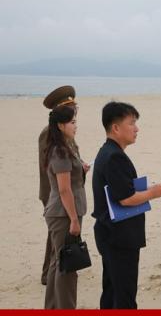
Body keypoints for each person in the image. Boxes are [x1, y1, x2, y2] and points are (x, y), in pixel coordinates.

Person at [92, 102, 161, 309]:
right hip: (119, 236)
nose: (136, 128)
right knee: (124, 294)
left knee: (112, 289)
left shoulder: (108, 152)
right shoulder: (114, 156)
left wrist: (148, 189)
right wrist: (153, 193)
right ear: (115, 128)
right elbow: (125, 198)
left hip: (109, 232)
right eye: (132, 123)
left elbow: (121, 190)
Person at [44, 105, 88, 309]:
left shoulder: (66, 146)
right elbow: (64, 189)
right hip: (63, 214)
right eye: (72, 122)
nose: (75, 126)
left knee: (57, 261)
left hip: (63, 212)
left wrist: (82, 168)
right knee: (67, 265)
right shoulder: (60, 151)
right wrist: (73, 219)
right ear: (61, 125)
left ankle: (53, 307)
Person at [38, 85, 81, 286]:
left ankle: (51, 272)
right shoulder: (50, 133)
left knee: (58, 239)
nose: (75, 109)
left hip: (65, 190)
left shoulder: (66, 131)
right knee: (56, 238)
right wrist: (51, 196)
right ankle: (49, 274)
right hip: (54, 192)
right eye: (71, 106)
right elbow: (49, 168)